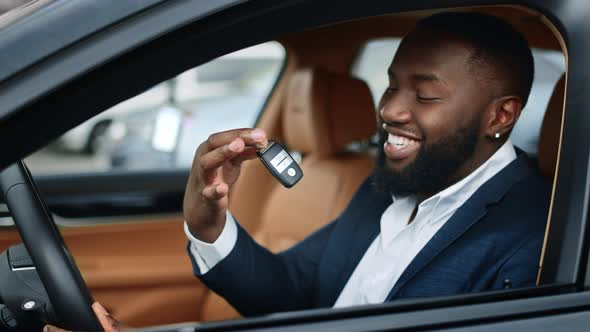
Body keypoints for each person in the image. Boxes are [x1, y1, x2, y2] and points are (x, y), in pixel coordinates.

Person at [45, 11, 550, 331]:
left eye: (425, 94)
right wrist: (209, 226)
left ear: (500, 115)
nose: (391, 109)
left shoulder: (537, 235)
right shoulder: (387, 189)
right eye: (391, 85)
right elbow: (291, 290)